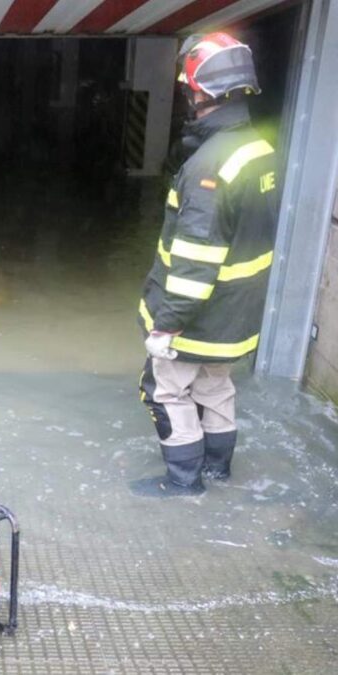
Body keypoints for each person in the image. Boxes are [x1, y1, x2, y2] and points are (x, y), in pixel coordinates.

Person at [132, 33, 278, 497]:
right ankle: (218, 471)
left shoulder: (207, 167)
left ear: (201, 92)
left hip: (198, 320)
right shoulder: (257, 149)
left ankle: (183, 483)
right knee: (215, 388)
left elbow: (197, 260)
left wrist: (166, 327)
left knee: (165, 391)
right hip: (236, 316)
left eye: (188, 89)